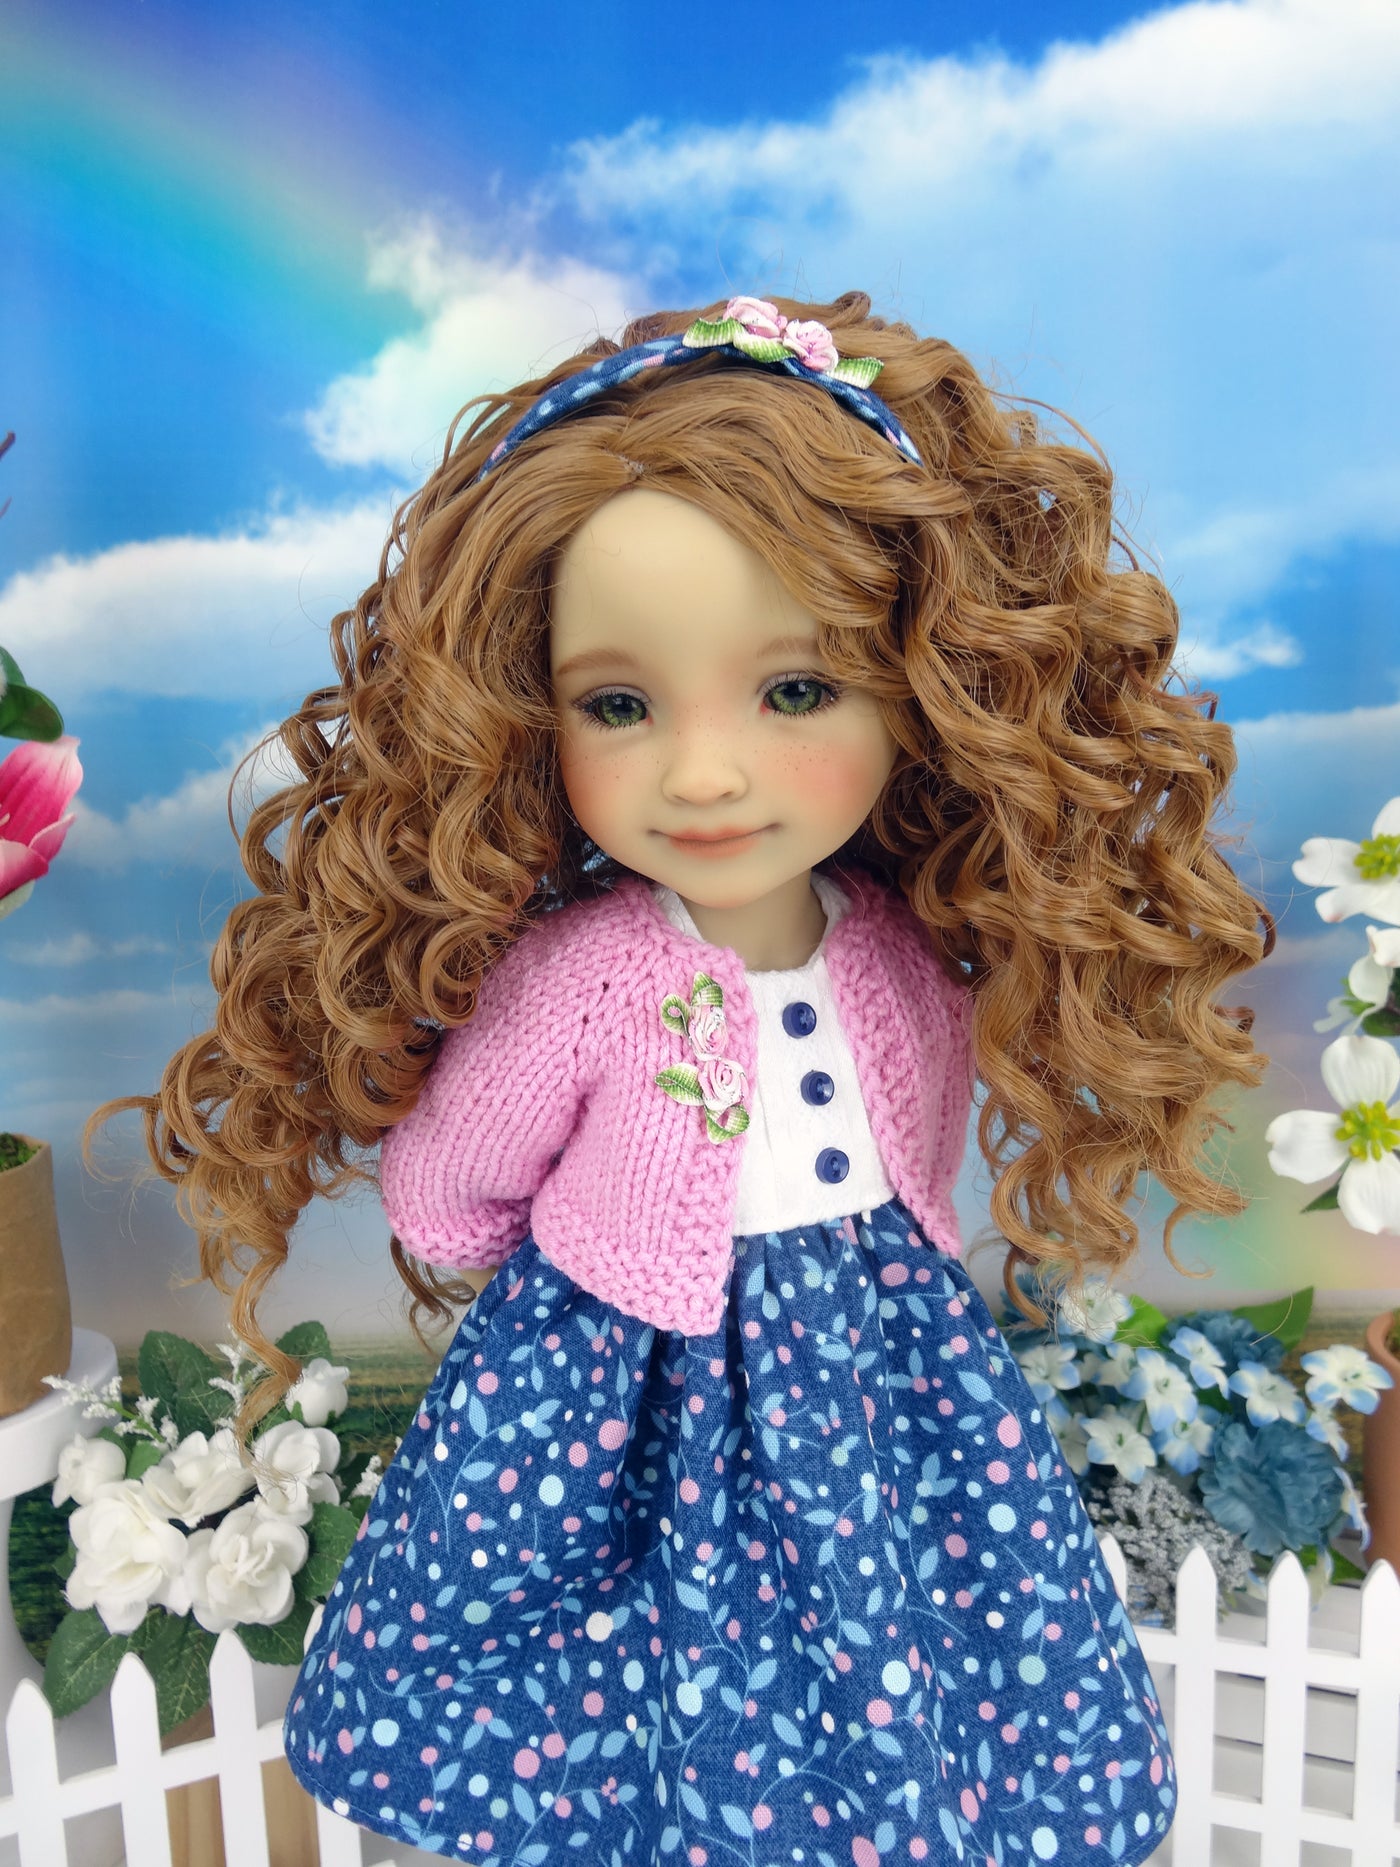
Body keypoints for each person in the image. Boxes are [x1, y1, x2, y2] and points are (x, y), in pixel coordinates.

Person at [115, 293, 1271, 1861]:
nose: (706, 772)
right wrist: (564, 1276)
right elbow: (450, 1180)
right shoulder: (583, 979)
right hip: (615, 1374)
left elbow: (916, 1139)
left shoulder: (893, 953)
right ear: (531, 714)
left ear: (921, 694)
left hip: (874, 1351)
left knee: (895, 1612)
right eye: (621, 705)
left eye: (796, 691)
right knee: (632, 1637)